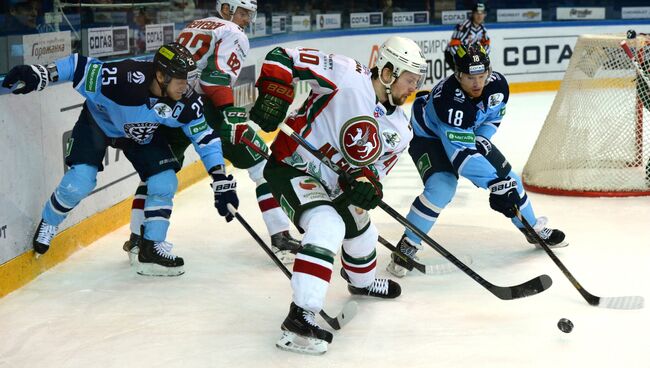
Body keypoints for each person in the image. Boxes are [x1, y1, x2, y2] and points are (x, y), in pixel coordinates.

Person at [245, 36, 427, 354]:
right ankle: (300, 316)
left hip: (336, 184)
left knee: (363, 232)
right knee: (328, 225)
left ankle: (362, 283)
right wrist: (275, 91)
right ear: (388, 72)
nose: (413, 88)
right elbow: (282, 55)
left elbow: (375, 172)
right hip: (293, 166)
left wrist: (368, 186)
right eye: (410, 80)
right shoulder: (346, 75)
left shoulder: (401, 129)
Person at [2, 42, 239, 277]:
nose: (185, 87)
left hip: (140, 133)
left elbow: (205, 137)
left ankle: (151, 248)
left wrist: (219, 178)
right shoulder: (123, 78)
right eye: (180, 80)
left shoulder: (185, 100)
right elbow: (77, 66)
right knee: (79, 183)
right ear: (160, 75)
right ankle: (49, 222)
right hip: (98, 124)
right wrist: (41, 73)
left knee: (165, 182)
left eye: (187, 80)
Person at [122, 0, 301, 266]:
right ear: (226, 9)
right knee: (263, 164)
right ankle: (281, 237)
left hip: (172, 104)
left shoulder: (195, 25)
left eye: (249, 15)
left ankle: (137, 238)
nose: (246, 21)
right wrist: (229, 111)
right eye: (242, 13)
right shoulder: (233, 33)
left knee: (157, 173)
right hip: (205, 108)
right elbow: (214, 78)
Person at [386, 44, 568, 278]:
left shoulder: (498, 86)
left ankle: (531, 228)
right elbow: (461, 157)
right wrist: (494, 184)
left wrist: (482, 140)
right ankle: (407, 246)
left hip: (466, 133)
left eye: (482, 76)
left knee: (509, 178)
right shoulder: (449, 101)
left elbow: (492, 118)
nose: (477, 84)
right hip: (428, 136)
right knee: (442, 186)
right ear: (458, 75)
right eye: (471, 77)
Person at [444, 2, 490, 72]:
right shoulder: (463, 26)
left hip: (469, 56)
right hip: (452, 54)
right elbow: (453, 46)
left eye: (482, 13)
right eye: (477, 13)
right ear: (472, 14)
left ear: (485, 15)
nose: (479, 16)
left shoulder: (483, 29)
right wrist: (462, 58)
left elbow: (486, 45)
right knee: (462, 75)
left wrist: (481, 57)